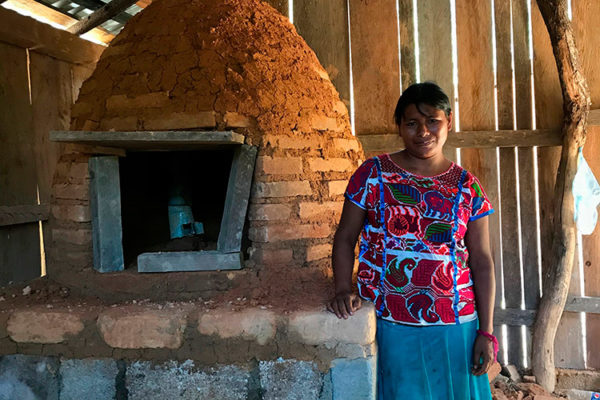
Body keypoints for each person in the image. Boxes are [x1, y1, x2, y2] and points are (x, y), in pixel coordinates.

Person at [327, 82, 497, 399]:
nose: (423, 132)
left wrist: (486, 332)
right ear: (400, 127)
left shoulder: (467, 187)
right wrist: (341, 288)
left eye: (432, 120)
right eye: (412, 123)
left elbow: (482, 261)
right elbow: (345, 236)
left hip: (454, 322)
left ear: (449, 120)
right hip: (388, 320)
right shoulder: (373, 174)